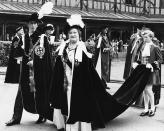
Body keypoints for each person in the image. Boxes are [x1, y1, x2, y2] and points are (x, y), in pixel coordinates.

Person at [49, 14, 152, 131]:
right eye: (71, 33)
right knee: (65, 102)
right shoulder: (63, 48)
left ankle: (76, 127)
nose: (73, 35)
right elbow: (58, 68)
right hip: (64, 83)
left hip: (78, 85)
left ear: (79, 35)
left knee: (77, 105)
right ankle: (64, 122)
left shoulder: (82, 49)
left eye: (75, 33)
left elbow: (88, 71)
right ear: (68, 34)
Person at [5, 12, 46, 126]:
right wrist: (18, 48)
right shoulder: (23, 38)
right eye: (31, 23)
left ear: (37, 25)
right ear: (27, 24)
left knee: (40, 92)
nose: (33, 25)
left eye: (35, 23)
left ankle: (42, 115)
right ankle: (16, 117)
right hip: (25, 71)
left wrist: (35, 62)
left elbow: (44, 55)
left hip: (37, 71)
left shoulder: (42, 38)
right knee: (20, 93)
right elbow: (17, 53)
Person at [132, 29, 163, 117]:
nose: (144, 39)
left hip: (151, 71)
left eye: (146, 37)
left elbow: (160, 59)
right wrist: (137, 63)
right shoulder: (143, 46)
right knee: (145, 90)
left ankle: (152, 108)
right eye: (143, 37)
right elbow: (141, 58)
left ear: (151, 37)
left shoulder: (155, 47)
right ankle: (146, 108)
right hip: (143, 70)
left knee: (148, 90)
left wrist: (152, 64)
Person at [33, 24, 55, 123]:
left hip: (48, 69)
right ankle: (42, 114)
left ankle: (45, 114)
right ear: (45, 30)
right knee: (43, 93)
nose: (50, 31)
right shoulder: (42, 38)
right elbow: (40, 54)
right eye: (48, 30)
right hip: (43, 70)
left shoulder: (47, 39)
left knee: (45, 93)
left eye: (51, 30)